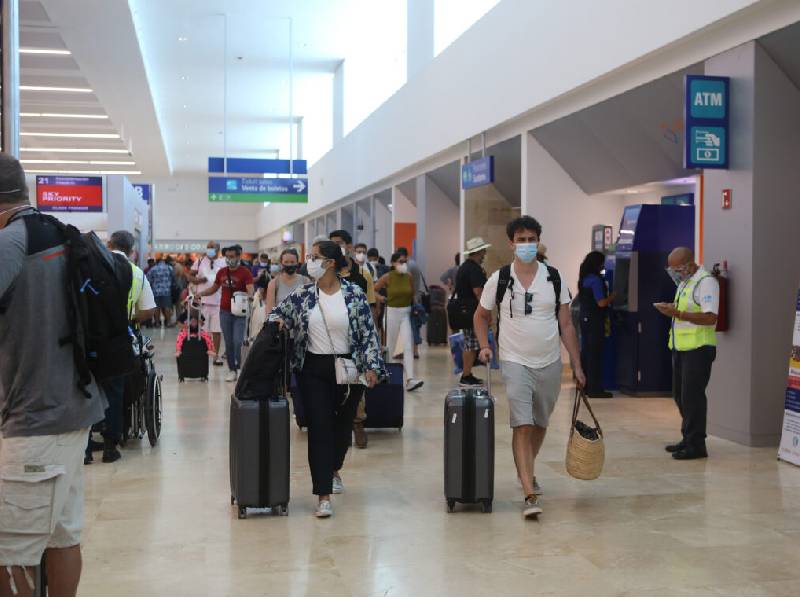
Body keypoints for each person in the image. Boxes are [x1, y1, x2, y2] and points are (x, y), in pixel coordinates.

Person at [0, 153, 107, 596]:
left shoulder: (11, 243)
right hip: (72, 408)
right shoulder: (59, 235)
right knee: (63, 534)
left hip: (35, 419)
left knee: (11, 551)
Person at [474, 215, 585, 519]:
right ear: (511, 243)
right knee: (521, 424)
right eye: (521, 239)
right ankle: (528, 491)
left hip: (549, 361)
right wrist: (485, 345)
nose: (526, 245)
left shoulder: (554, 278)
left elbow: (566, 324)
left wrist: (576, 364)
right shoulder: (499, 279)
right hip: (513, 359)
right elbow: (481, 316)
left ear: (538, 241)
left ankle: (528, 469)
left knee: (540, 422)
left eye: (531, 239)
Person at [270, 240, 385, 518]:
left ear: (330, 263)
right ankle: (323, 493)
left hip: (349, 368)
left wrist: (371, 367)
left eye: (315, 257)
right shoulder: (303, 294)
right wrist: (280, 323)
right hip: (313, 368)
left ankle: (333, 468)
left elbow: (368, 334)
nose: (309, 262)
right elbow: (276, 313)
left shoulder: (354, 294)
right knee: (320, 427)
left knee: (343, 427)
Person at [85, 230, 158, 466]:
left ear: (109, 244)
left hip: (88, 338)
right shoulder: (136, 273)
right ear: (132, 250)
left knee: (88, 389)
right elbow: (148, 311)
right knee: (115, 391)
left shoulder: (88, 268)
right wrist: (130, 318)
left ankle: (85, 448)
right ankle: (110, 445)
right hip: (119, 338)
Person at [654, 247, 719, 460]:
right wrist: (672, 308)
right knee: (680, 396)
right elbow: (687, 308)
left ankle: (696, 444)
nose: (675, 273)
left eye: (678, 268)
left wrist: (678, 313)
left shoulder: (706, 282)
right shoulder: (685, 282)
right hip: (681, 348)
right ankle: (688, 436)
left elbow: (710, 317)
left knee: (693, 398)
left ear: (690, 264)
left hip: (699, 349)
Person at [329, 229, 377, 449]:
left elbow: (371, 307)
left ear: (348, 245)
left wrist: (373, 339)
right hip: (330, 337)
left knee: (356, 381)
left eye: (339, 243)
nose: (336, 247)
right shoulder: (326, 271)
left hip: (355, 337)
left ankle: (358, 423)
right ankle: (336, 427)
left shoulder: (362, 274)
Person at [199, 245, 254, 381]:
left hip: (239, 313)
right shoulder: (222, 272)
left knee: (237, 341)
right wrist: (200, 294)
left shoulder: (245, 272)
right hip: (224, 312)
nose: (229, 259)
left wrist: (249, 296)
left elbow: (250, 289)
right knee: (228, 342)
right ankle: (232, 370)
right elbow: (213, 288)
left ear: (239, 256)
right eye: (227, 257)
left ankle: (240, 367)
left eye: (232, 256)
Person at [374, 252, 425, 392]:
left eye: (405, 262)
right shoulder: (387, 277)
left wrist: (416, 308)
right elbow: (373, 290)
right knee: (390, 346)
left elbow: (412, 293)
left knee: (408, 345)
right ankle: (386, 375)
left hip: (406, 313)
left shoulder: (408, 277)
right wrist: (381, 298)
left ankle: (410, 379)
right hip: (391, 313)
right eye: (400, 262)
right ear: (393, 263)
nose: (403, 264)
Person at [578, 251, 616, 398]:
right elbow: (601, 303)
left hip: (585, 318)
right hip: (595, 320)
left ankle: (585, 387)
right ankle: (595, 389)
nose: (603, 266)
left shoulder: (584, 278)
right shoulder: (595, 280)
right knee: (595, 355)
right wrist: (613, 296)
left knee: (587, 353)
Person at [454, 237, 491, 386]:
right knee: (470, 344)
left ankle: (467, 373)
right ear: (479, 252)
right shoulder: (474, 269)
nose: (485, 254)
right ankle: (466, 375)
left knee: (470, 343)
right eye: (483, 251)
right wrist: (486, 312)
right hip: (471, 312)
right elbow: (478, 292)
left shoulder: (465, 267)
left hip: (465, 311)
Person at [188, 241, 226, 365]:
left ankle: (215, 355)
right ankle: (201, 354)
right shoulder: (199, 261)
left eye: (212, 248)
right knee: (201, 330)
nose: (210, 250)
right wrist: (198, 280)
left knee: (216, 330)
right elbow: (189, 276)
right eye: (208, 247)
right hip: (202, 301)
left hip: (218, 301)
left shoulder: (223, 262)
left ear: (218, 249)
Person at [263, 248, 310, 316]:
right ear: (281, 263)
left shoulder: (305, 281)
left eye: (292, 262)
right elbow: (269, 310)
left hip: (301, 324)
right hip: (280, 324)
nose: (289, 265)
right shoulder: (274, 283)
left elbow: (310, 305)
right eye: (286, 262)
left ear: (297, 262)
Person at [395, 247, 423, 358]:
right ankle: (415, 351)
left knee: (407, 326)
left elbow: (405, 282)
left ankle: (405, 351)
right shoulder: (413, 264)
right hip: (414, 298)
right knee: (414, 325)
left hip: (410, 300)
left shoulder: (408, 266)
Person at [146, 255, 176, 327]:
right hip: (166, 291)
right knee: (167, 307)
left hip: (155, 291)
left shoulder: (153, 269)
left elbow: (148, 280)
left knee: (157, 307)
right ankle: (168, 322)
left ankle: (157, 323)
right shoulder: (169, 268)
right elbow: (173, 279)